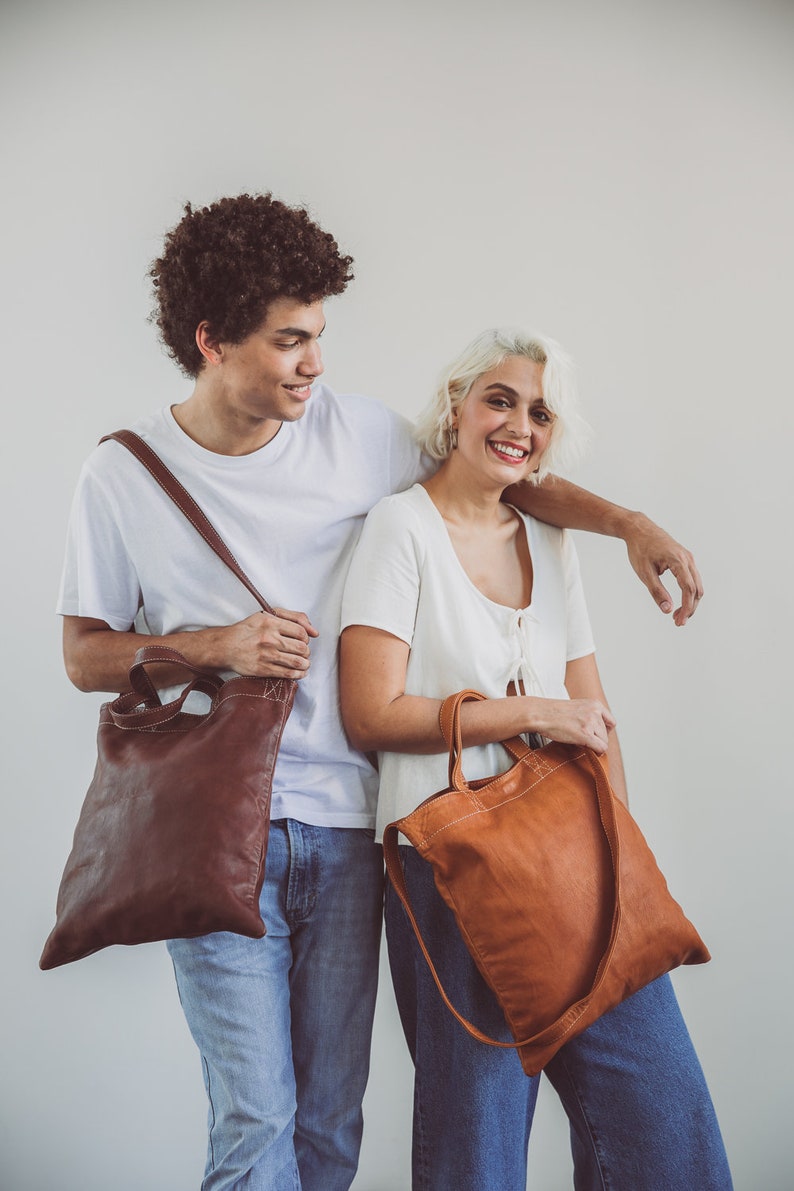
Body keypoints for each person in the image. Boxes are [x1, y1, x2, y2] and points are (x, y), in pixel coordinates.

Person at [58, 194, 706, 1191]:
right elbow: (86, 655)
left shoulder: (356, 436)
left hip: (348, 831)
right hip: (213, 834)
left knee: (326, 1125)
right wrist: (214, 646)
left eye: (319, 336)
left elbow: (501, 475)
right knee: (255, 1117)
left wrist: (629, 526)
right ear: (210, 338)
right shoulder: (122, 474)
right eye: (289, 341)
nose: (315, 363)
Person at [339, 328, 732, 1191]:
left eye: (541, 411)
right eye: (501, 399)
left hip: (577, 867)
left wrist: (621, 861)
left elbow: (596, 723)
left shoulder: (549, 539)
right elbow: (370, 710)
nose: (520, 423)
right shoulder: (400, 527)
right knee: (475, 1151)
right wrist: (527, 711)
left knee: (671, 1136)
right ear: (456, 406)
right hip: (449, 870)